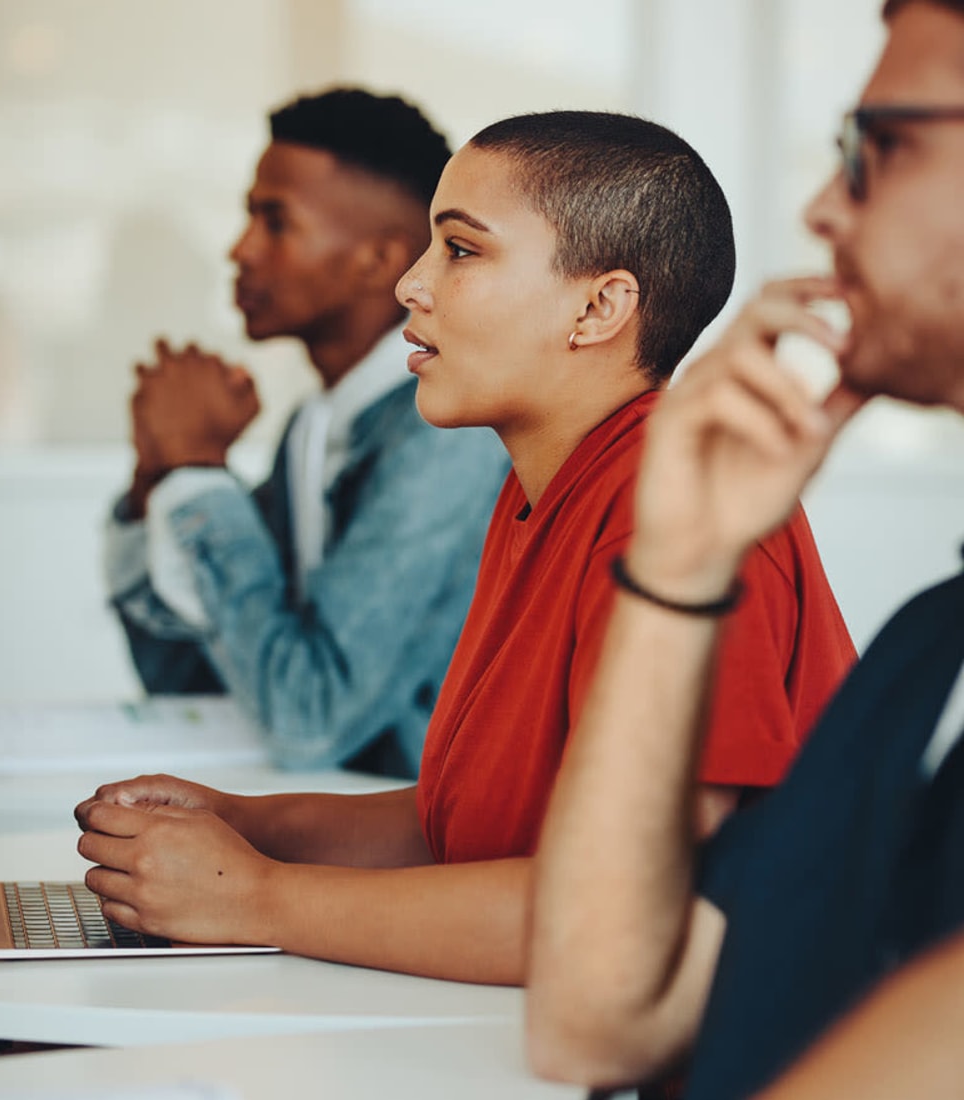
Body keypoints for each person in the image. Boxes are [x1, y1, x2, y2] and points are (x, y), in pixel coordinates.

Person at [74, 109, 851, 985]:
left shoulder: (680, 515)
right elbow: (468, 823)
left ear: (599, 306)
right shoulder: (541, 488)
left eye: (461, 250)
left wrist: (256, 898)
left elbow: (624, 914)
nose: (411, 286)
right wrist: (249, 826)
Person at [526, 1, 964, 1097]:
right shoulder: (931, 646)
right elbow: (595, 1022)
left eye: (878, 151)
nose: (823, 208)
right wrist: (678, 567)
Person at [103, 87, 509, 778]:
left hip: (430, 857)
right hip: (327, 827)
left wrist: (198, 470)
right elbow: (191, 680)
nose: (240, 249)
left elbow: (308, 720)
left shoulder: (448, 437)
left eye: (276, 221)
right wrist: (157, 480)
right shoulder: (314, 428)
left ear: (380, 263)